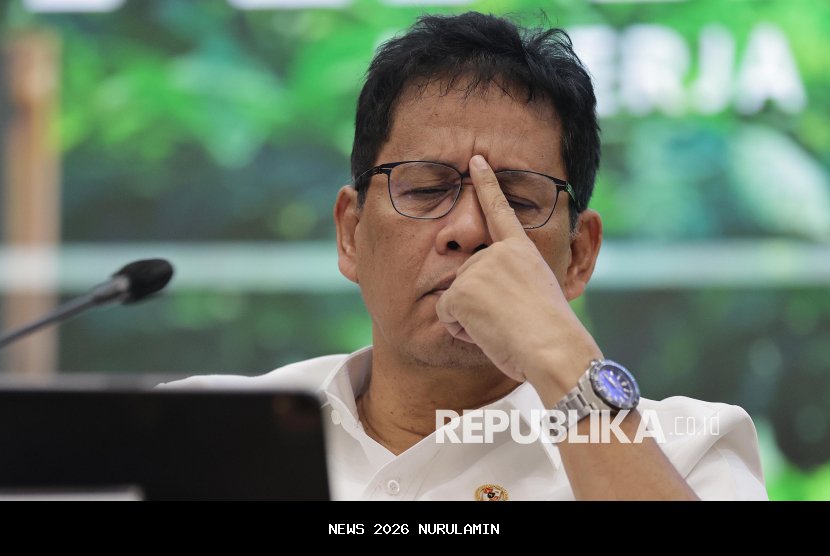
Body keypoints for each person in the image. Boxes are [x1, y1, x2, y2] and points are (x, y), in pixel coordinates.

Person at [161, 12, 767, 501]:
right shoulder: (200, 432)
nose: (470, 230)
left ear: (578, 257)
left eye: (518, 200)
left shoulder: (686, 452)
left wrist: (565, 364)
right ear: (350, 234)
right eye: (426, 189)